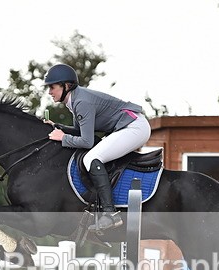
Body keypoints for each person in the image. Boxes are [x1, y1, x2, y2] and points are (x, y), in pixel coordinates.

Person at [43, 63, 151, 231]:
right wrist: (58, 127)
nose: (49, 91)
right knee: (93, 156)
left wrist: (63, 138)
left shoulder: (81, 101)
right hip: (129, 126)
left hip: (135, 127)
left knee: (91, 158)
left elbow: (86, 142)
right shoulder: (75, 100)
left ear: (66, 86)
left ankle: (110, 214)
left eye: (52, 87)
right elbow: (81, 132)